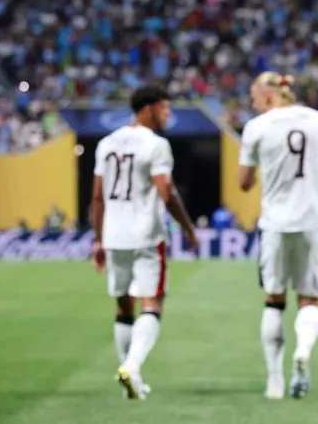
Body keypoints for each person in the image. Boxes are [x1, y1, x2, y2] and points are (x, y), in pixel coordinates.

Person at [238, 72, 318, 400]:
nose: (254, 102)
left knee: (274, 299)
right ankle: (302, 351)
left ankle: (274, 380)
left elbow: (243, 182)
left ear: (269, 95)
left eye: (255, 95)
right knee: (310, 299)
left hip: (275, 222)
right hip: (313, 220)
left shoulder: (257, 127)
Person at [90, 85, 198, 400]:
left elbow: (97, 196)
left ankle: (130, 383)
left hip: (113, 235)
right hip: (146, 236)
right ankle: (132, 367)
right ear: (148, 108)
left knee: (123, 305)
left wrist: (98, 238)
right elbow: (167, 192)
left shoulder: (106, 144)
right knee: (152, 303)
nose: (168, 114)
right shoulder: (156, 145)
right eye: (165, 108)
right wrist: (188, 228)